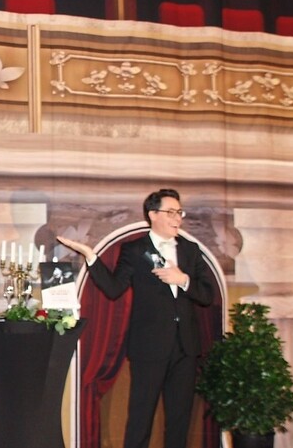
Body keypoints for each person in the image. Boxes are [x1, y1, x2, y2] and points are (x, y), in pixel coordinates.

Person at [57, 188, 214, 448]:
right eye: (171, 212)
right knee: (140, 419)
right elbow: (113, 288)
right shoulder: (135, 249)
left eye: (179, 212)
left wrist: (183, 279)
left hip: (186, 348)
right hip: (149, 347)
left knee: (179, 421)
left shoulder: (190, 250)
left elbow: (207, 294)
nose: (178, 218)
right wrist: (91, 256)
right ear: (153, 214)